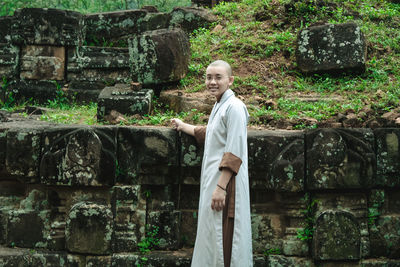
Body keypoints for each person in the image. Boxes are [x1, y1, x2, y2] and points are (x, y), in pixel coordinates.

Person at [171, 60, 253, 267]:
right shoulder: (220, 105)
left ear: (230, 80)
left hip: (227, 186)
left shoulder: (235, 107)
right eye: (209, 77)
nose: (212, 82)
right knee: (212, 240)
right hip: (216, 184)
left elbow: (234, 151)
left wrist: (220, 188)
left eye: (218, 77)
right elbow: (212, 134)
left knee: (224, 241)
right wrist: (184, 126)